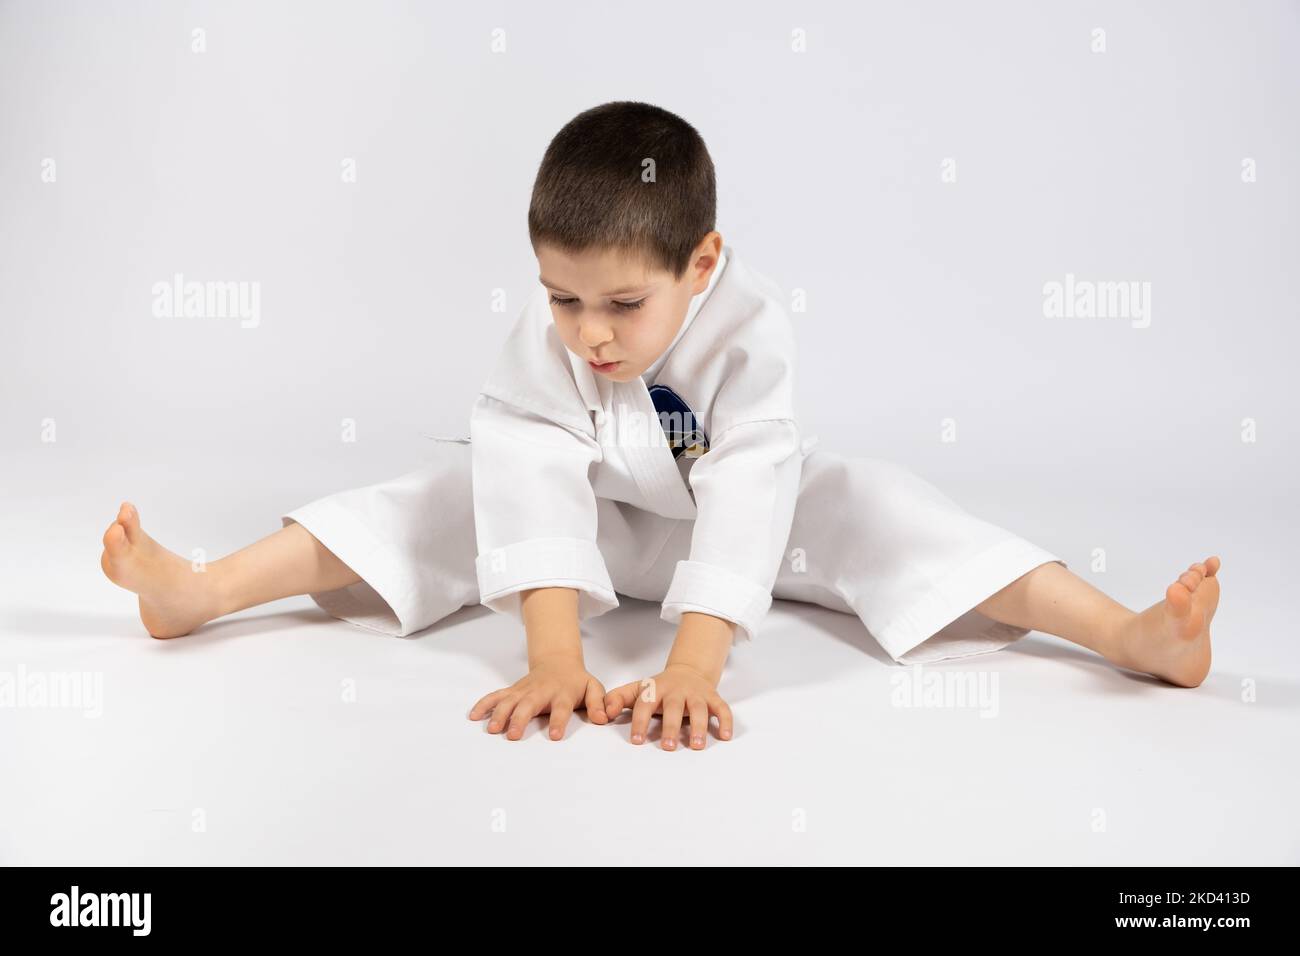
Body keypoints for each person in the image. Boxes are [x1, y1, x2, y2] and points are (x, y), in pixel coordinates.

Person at [100, 101, 1221, 751]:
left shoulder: (749, 331)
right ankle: (201, 590)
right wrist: (554, 655)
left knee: (877, 506)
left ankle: (1130, 636)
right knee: (439, 494)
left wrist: (696, 660)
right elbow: (533, 468)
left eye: (623, 304)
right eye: (561, 296)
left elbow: (743, 483)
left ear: (701, 262)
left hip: (743, 530)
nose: (589, 333)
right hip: (597, 518)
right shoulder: (548, 343)